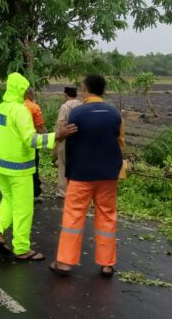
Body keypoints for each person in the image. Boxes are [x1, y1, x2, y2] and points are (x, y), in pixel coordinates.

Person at [0, 73, 77, 261]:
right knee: (24, 208)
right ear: (20, 89)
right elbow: (32, 140)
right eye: (26, 87)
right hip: (19, 169)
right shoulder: (20, 111)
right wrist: (56, 136)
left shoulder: (0, 108)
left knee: (8, 200)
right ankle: (21, 248)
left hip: (0, 165)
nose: (29, 90)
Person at [50, 75, 125, 278]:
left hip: (81, 175)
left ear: (84, 88)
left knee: (74, 216)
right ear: (103, 90)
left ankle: (64, 263)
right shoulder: (114, 113)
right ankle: (107, 264)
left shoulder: (77, 113)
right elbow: (120, 143)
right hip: (108, 175)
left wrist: (68, 173)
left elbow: (71, 146)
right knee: (107, 217)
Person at [54, 85, 81, 198]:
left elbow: (61, 124)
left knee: (63, 165)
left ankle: (63, 191)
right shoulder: (81, 105)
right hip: (79, 139)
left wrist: (57, 138)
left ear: (65, 94)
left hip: (66, 138)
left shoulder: (65, 106)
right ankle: (77, 190)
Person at [24, 87, 47, 200]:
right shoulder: (34, 107)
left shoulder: (15, 106)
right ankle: (35, 193)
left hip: (18, 143)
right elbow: (41, 126)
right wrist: (47, 140)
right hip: (32, 142)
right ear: (30, 94)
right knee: (33, 167)